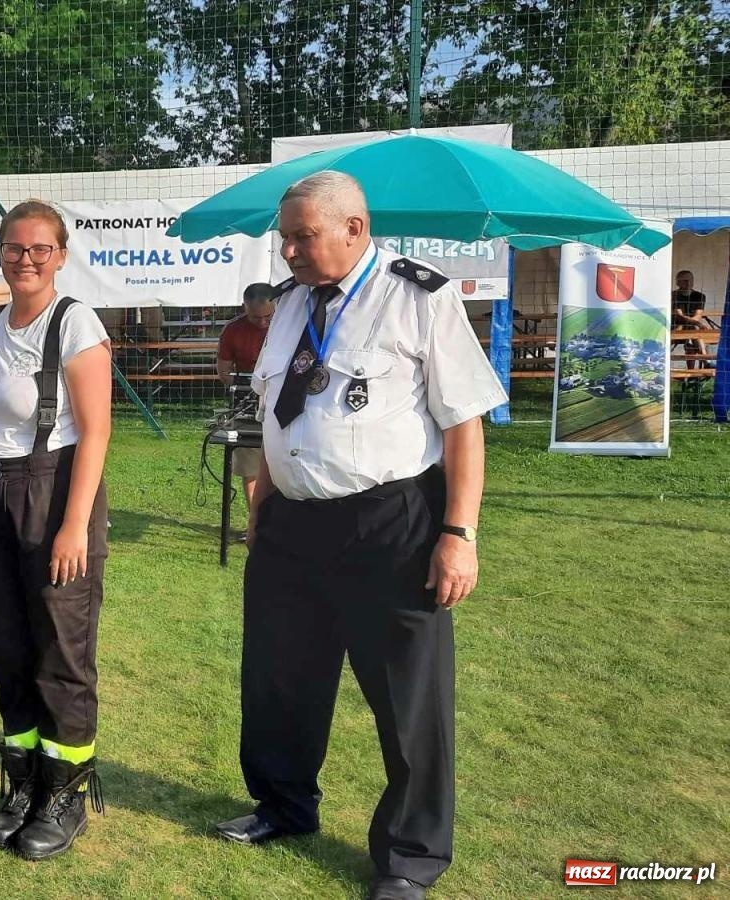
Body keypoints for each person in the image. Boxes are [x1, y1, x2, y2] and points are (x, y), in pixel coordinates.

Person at [214, 172, 506, 900]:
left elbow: (463, 423)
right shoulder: (287, 305)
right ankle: (284, 806)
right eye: (284, 236)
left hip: (391, 522)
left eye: (302, 236)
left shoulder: (420, 295)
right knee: (280, 678)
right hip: (291, 521)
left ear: (355, 227)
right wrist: (262, 504)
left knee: (408, 697)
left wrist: (458, 532)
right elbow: (281, 411)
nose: (287, 250)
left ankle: (410, 856)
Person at [0, 200, 112, 861]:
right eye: (14, 248)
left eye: (39, 249)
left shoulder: (74, 322)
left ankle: (64, 794)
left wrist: (74, 524)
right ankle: (22, 782)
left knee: (61, 651)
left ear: (60, 254)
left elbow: (97, 429)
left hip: (51, 490)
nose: (25, 259)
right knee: (7, 643)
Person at [216, 282, 280, 509]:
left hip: (284, 403)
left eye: (268, 317)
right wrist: (248, 385)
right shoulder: (232, 330)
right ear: (244, 307)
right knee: (251, 468)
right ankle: (256, 520)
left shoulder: (288, 324)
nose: (263, 323)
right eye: (256, 318)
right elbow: (224, 372)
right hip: (249, 404)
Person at [672, 270, 713, 368]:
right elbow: (679, 316)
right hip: (675, 327)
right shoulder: (673, 295)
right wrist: (698, 324)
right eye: (685, 280)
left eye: (690, 280)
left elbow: (698, 316)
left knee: (692, 334)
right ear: (678, 282)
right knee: (694, 331)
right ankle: (705, 361)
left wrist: (696, 323)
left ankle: (691, 374)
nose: (688, 283)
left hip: (691, 328)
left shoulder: (700, 296)